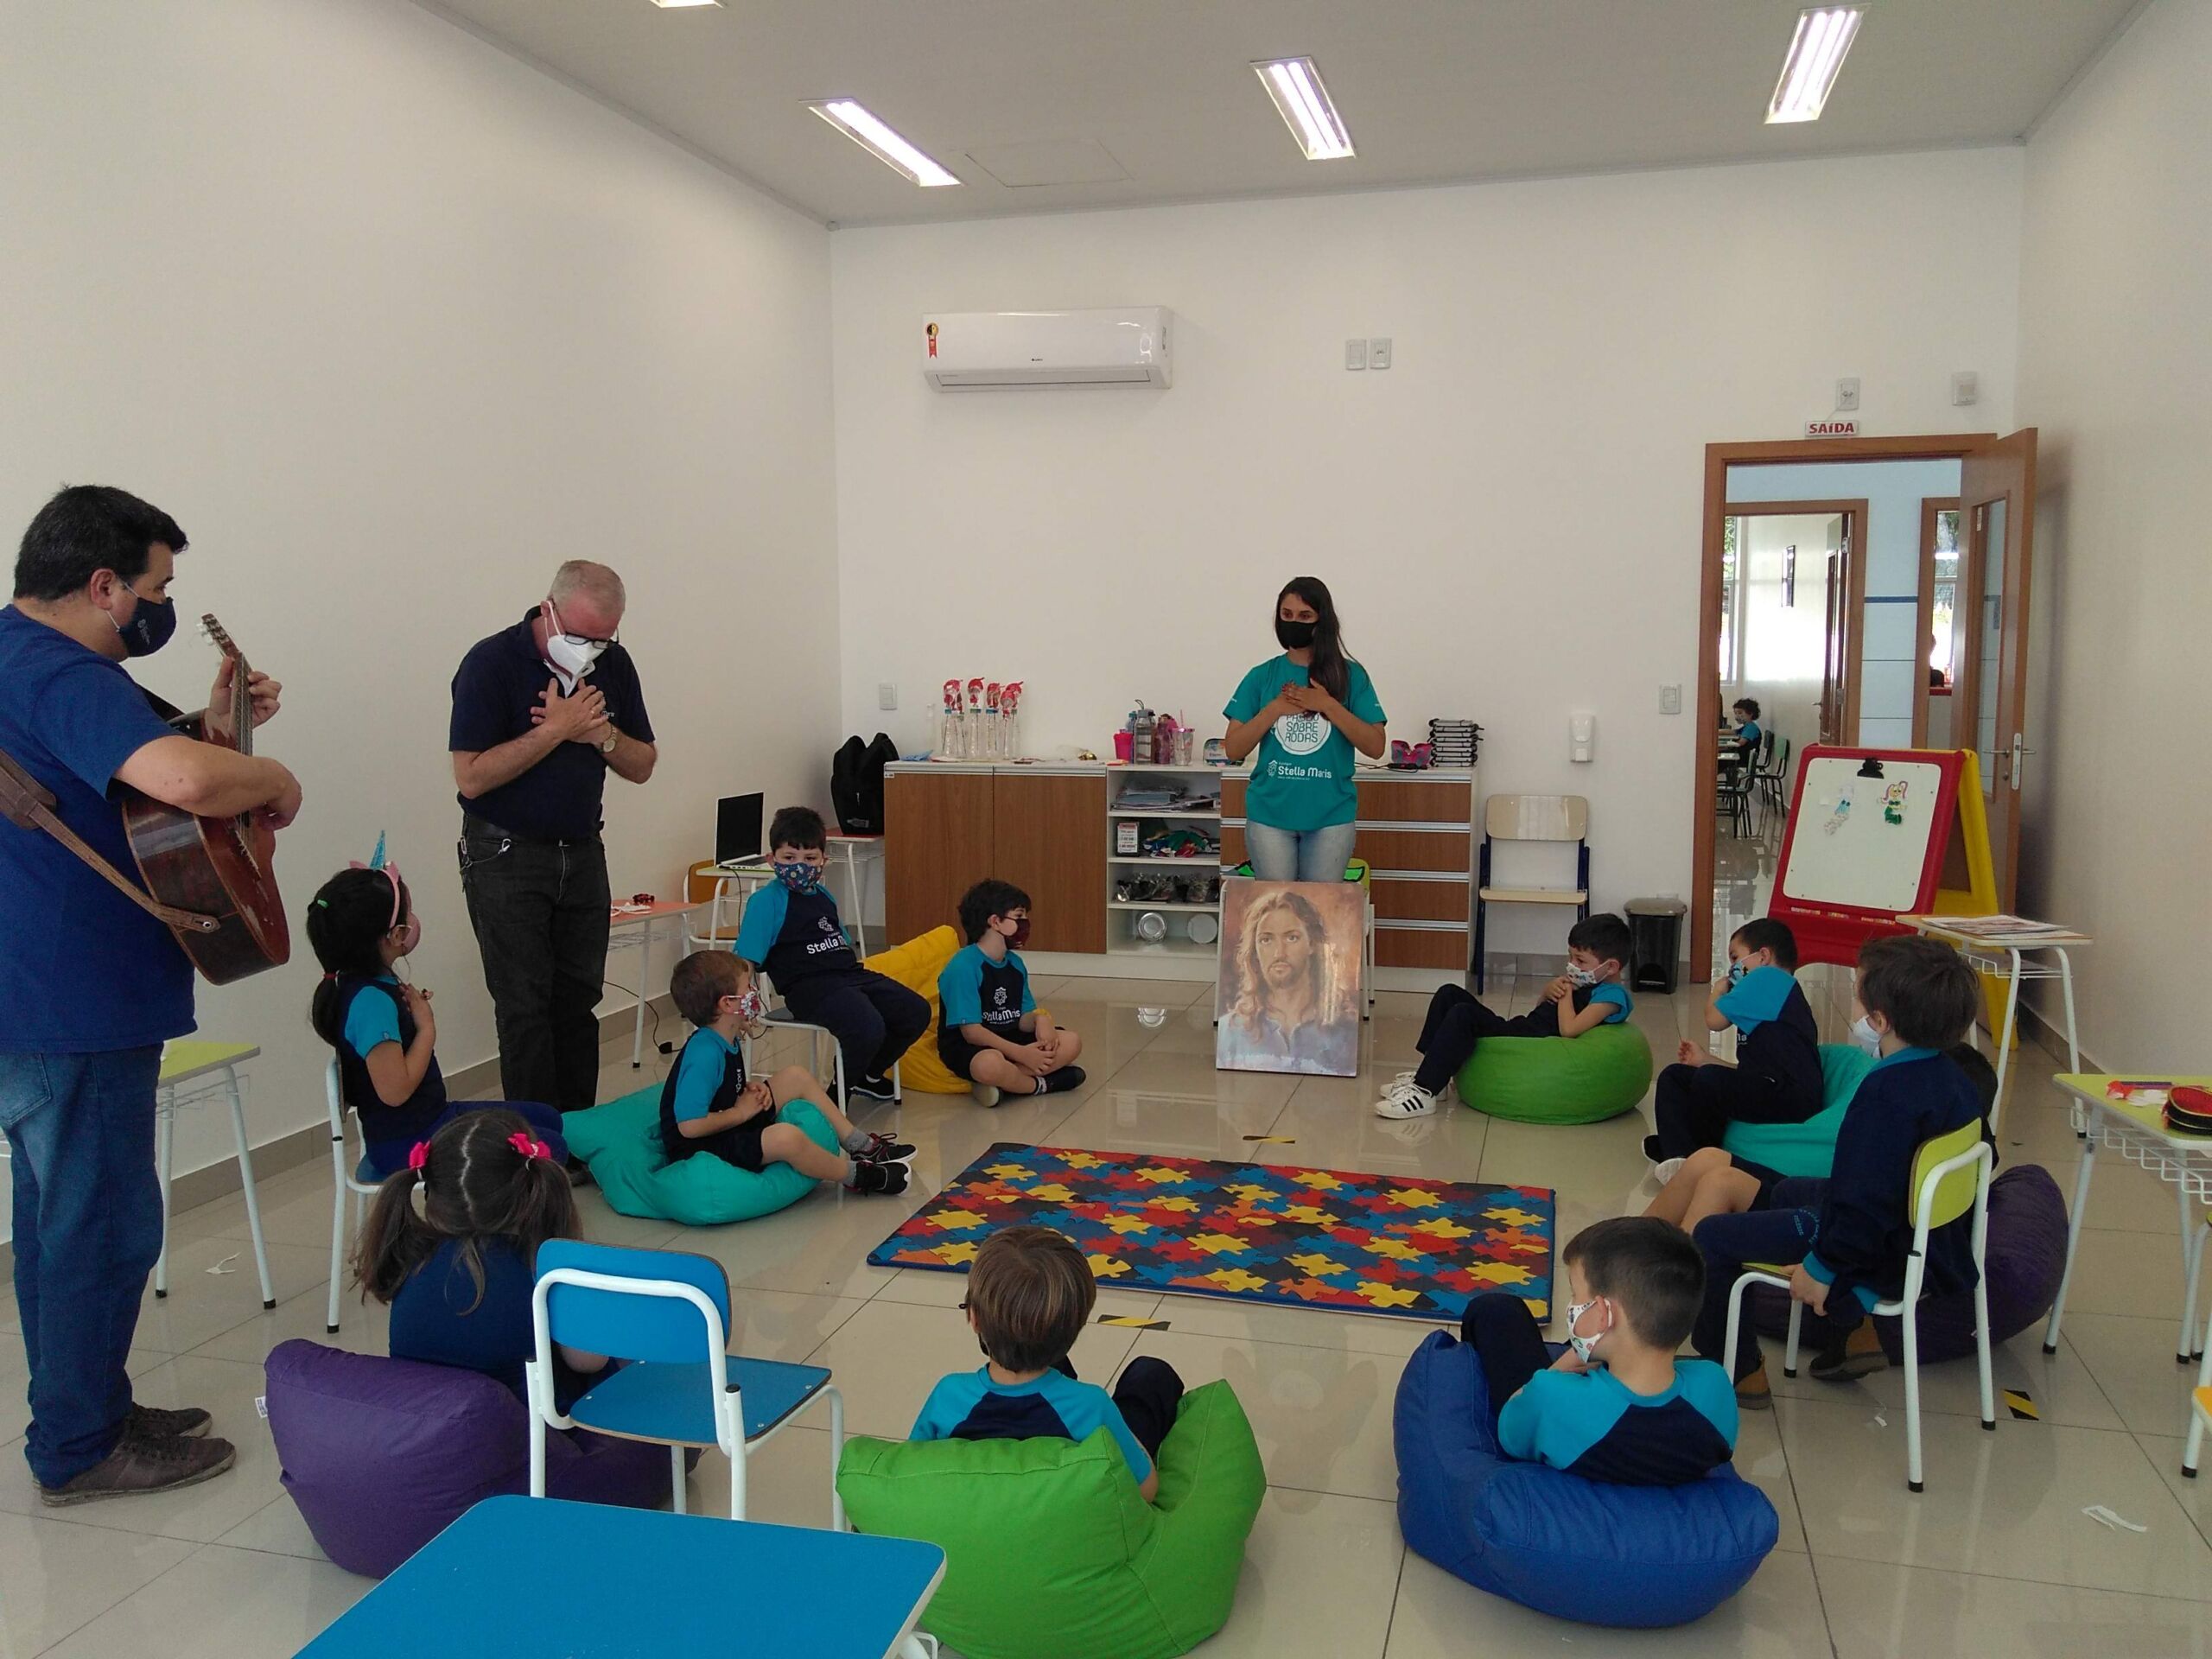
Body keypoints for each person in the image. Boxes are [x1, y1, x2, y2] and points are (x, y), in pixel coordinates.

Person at [0, 486, 301, 1504]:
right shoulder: (62, 669)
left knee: (58, 1222)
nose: (161, 606)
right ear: (102, 585)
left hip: (38, 994)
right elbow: (183, 786)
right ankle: (81, 1446)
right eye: (157, 588)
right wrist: (270, 777)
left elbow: (112, 777)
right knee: (99, 1225)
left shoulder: (12, 655)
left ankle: (84, 1408)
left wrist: (213, 727)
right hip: (75, 1002)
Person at [1687, 935, 1988, 1405]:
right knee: (1789, 1189)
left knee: (1711, 1236)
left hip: (1876, 1247)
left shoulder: (1883, 1095)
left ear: (1881, 1021)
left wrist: (1823, 1266)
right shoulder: (1955, 1078)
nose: (1855, 1001)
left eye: (1859, 992)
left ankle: (1736, 1369)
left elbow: (1864, 1203)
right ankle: (1853, 1332)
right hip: (1931, 1240)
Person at [449, 562, 657, 1116]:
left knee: (578, 1000)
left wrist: (601, 734)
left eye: (605, 638)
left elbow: (642, 764)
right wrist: (556, 731)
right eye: (583, 636)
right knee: (524, 1007)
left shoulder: (614, 664)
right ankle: (535, 1144)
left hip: (582, 851)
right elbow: (471, 777)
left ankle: (577, 1131)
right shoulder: (490, 662)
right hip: (504, 854)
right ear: (549, 610)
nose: (592, 649)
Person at [307, 858, 575, 1181]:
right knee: (549, 1147)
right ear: (395, 935)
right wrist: (426, 1028)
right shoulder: (370, 1002)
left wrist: (410, 1016)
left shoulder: (367, 983)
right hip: (407, 1143)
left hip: (429, 1119)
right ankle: (487, 1211)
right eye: (407, 915)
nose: (413, 922)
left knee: (549, 1118)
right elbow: (395, 1092)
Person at [910, 1225, 1187, 1503]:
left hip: (984, 1507)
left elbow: (906, 1471)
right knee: (1151, 1374)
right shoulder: (1092, 1405)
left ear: (975, 1319)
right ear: (1077, 1325)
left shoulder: (948, 1395)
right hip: (1072, 1476)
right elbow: (1145, 1490)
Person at [354, 1108, 607, 1409]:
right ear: (531, 1190)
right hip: (519, 1432)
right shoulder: (544, 1272)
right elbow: (590, 1362)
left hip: (421, 1426)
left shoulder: (409, 1256)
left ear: (430, 1192)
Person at [1459, 1217, 1737, 1485]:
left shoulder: (1550, 1395)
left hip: (1557, 1422)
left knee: (1496, 1309)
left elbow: (1510, 1432)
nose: (1571, 1305)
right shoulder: (1715, 1385)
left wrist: (1555, 1372)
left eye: (1575, 1294)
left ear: (1603, 1314)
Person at [661, 950, 912, 1195]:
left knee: (796, 1076)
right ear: (728, 1004)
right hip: (701, 1147)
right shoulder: (704, 1053)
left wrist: (748, 1089)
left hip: (726, 1123)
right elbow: (690, 1126)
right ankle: (859, 1176)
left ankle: (861, 1146)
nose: (754, 992)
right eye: (747, 987)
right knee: (786, 1138)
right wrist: (740, 1112)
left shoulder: (726, 1033)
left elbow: (721, 1085)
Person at [734, 805, 927, 1103]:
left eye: (810, 858)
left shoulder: (824, 896)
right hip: (808, 987)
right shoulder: (766, 901)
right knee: (867, 1026)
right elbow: (745, 959)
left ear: (824, 860)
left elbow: (842, 944)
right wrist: (742, 1004)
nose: (800, 866)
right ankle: (836, 1097)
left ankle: (868, 1075)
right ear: (772, 860)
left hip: (849, 976)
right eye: (790, 858)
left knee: (915, 1011)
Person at [1374, 912, 1635, 1120]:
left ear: (1611, 966)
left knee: (1463, 1014)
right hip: (1522, 1028)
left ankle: (1424, 1093)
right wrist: (1548, 992)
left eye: (1580, 960)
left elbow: (1569, 1030)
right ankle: (1433, 1079)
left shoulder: (1611, 997)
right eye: (1570, 957)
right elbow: (1540, 1011)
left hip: (1530, 1044)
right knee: (1449, 993)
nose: (1572, 965)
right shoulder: (1586, 982)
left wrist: (1566, 994)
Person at [1222, 577, 1386, 882]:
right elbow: (1233, 749)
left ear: (1322, 620)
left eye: (1305, 616)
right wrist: (1274, 709)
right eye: (1287, 614)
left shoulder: (1352, 676)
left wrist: (1327, 705)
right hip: (1269, 816)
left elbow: (1376, 746)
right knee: (1277, 906)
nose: (1294, 622)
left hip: (1331, 817)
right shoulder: (1261, 676)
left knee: (1319, 909)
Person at [1643, 918, 1822, 1179]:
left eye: (1735, 958)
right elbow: (1753, 1075)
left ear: (1763, 956)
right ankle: (1678, 1155)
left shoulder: (1768, 978)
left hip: (1791, 1098)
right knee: (1674, 1076)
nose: (1732, 970)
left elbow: (1714, 1020)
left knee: (1708, 1080)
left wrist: (1718, 990)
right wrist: (1707, 1060)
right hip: (1773, 1089)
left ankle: (1697, 1154)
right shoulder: (1770, 998)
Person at [938, 879, 1086, 1106]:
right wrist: (1022, 1054)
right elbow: (972, 1033)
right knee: (989, 1064)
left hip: (1010, 1035)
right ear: (995, 922)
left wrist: (1040, 1020)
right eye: (1018, 917)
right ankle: (1039, 1085)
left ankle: (1005, 1083)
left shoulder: (1015, 963)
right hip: (972, 1046)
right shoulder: (963, 966)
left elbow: (1022, 1018)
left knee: (1071, 1041)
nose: (1025, 924)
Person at [1217, 885, 1359, 1076]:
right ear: (1255, 951)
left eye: (1292, 938)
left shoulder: (1344, 1029)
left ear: (1312, 943)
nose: (1279, 953)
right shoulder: (1230, 1031)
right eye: (1266, 940)